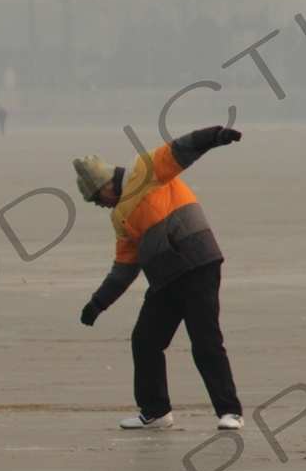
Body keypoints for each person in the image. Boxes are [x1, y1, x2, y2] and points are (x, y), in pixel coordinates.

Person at [74, 125, 245, 431]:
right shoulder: (120, 218)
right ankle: (156, 411)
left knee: (205, 340)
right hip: (165, 280)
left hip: (197, 265)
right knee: (145, 340)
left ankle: (230, 411)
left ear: (103, 185)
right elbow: (124, 268)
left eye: (94, 198)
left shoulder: (145, 170)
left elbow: (181, 149)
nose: (97, 205)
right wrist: (97, 303)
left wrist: (215, 136)